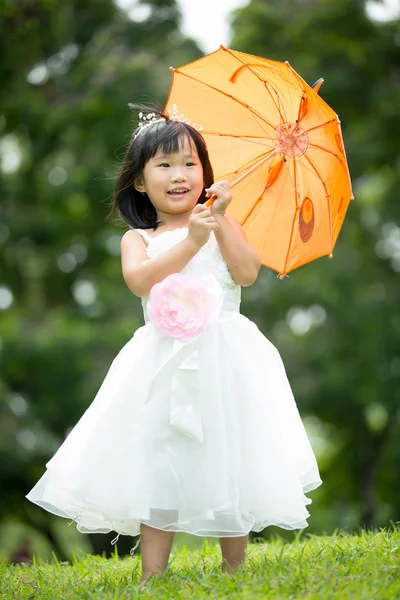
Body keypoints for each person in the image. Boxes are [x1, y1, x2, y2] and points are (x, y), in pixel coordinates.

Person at [25, 106, 322, 588]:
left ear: (205, 172)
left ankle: (234, 567)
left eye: (189, 163)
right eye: (164, 166)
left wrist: (220, 223)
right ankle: (151, 574)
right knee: (160, 455)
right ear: (140, 182)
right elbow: (141, 282)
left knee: (231, 449)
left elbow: (246, 273)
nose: (179, 175)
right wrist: (189, 242)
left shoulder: (223, 223)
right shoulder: (138, 238)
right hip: (163, 359)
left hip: (227, 354)